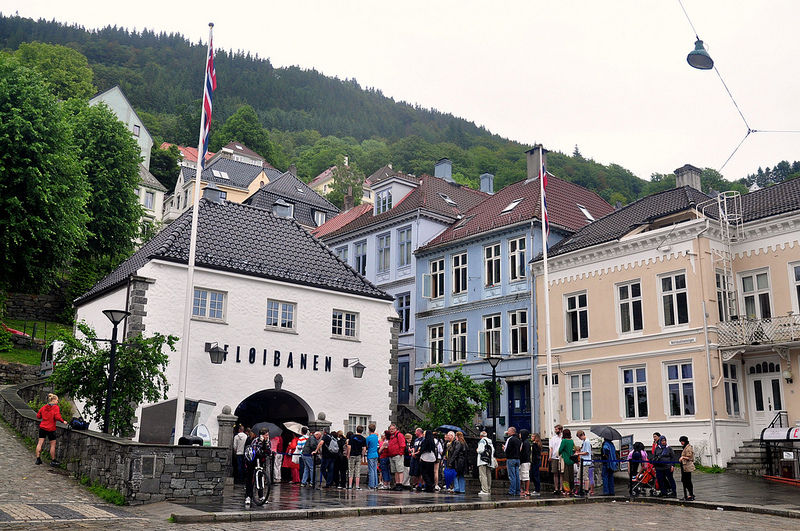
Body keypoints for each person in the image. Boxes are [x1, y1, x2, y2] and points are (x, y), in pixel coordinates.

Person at [35, 393, 65, 466]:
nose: (57, 402)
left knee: (40, 443)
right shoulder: (55, 407)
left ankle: (38, 459)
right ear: (53, 400)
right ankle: (53, 460)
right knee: (52, 445)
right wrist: (63, 421)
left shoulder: (44, 407)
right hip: (51, 428)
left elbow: (38, 416)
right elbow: (57, 416)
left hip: (42, 427)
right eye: (57, 400)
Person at [244, 427, 271, 507]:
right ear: (261, 435)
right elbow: (256, 451)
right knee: (250, 478)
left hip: (261, 460)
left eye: (268, 435)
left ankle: (261, 496)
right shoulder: (255, 441)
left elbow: (269, 451)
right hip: (252, 460)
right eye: (266, 435)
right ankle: (248, 496)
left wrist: (266, 445)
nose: (267, 436)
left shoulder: (268, 441)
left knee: (260, 477)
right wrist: (261, 443)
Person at [347, 425, 367, 490]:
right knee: (357, 471)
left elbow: (349, 446)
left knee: (351, 470)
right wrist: (362, 455)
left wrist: (348, 454)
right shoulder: (363, 439)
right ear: (362, 431)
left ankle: (350, 485)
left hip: (352, 455)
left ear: (356, 430)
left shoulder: (352, 437)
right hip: (358, 455)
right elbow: (364, 449)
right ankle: (357, 486)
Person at [387, 424, 406, 490]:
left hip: (398, 455)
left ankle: (400, 484)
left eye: (393, 429)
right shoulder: (391, 436)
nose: (391, 430)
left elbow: (402, 444)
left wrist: (400, 453)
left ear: (396, 429)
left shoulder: (399, 435)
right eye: (390, 429)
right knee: (395, 471)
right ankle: (397, 483)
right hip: (392, 455)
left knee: (399, 470)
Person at [476, 430, 495, 495]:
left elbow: (480, 450)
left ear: (481, 436)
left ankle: (484, 490)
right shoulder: (490, 441)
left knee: (483, 475)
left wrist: (477, 450)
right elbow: (493, 450)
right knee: (488, 475)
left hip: (482, 461)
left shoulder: (482, 441)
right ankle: (488, 489)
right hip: (489, 461)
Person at [504, 426, 522, 496]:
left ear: (512, 432)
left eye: (508, 431)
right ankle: (518, 491)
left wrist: (504, 449)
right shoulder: (518, 439)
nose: (507, 432)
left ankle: (512, 491)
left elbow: (507, 449)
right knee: (517, 476)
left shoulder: (510, 439)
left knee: (512, 476)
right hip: (517, 459)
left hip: (511, 459)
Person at [557, 428, 575, 495]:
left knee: (565, 476)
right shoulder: (572, 441)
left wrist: (558, 453)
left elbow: (560, 449)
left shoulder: (564, 441)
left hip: (565, 459)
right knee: (571, 475)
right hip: (571, 460)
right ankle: (572, 489)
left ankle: (567, 490)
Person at [576, 430, 593, 496]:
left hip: (586, 462)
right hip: (583, 461)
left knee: (585, 476)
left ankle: (586, 490)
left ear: (581, 435)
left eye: (579, 437)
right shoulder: (584, 442)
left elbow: (587, 452)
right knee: (579, 476)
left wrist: (579, 453)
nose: (579, 439)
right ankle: (581, 489)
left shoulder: (587, 442)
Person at [678, 435, 695, 501]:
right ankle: (686, 495)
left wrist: (683, 457)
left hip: (687, 466)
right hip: (684, 466)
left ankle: (691, 494)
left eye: (682, 441)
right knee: (684, 481)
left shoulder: (688, 447)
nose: (681, 443)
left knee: (688, 481)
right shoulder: (685, 447)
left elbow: (690, 457)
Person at [549, 424, 563, 495]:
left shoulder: (563, 438)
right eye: (555, 429)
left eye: (557, 429)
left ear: (560, 430)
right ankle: (556, 488)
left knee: (561, 473)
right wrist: (550, 456)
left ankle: (561, 488)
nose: (555, 431)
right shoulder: (553, 438)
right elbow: (551, 448)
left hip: (561, 457)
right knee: (555, 473)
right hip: (554, 457)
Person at [366, 423, 380, 489]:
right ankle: (375, 484)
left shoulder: (368, 438)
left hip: (370, 454)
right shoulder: (376, 437)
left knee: (371, 470)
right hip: (376, 454)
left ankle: (371, 484)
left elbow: (366, 446)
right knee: (374, 470)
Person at [519, 429, 531, 496]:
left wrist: (521, 459)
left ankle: (527, 490)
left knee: (526, 476)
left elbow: (525, 453)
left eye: (520, 434)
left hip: (525, 461)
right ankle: (522, 489)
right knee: (521, 476)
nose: (519, 435)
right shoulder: (523, 442)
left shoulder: (526, 443)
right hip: (523, 461)